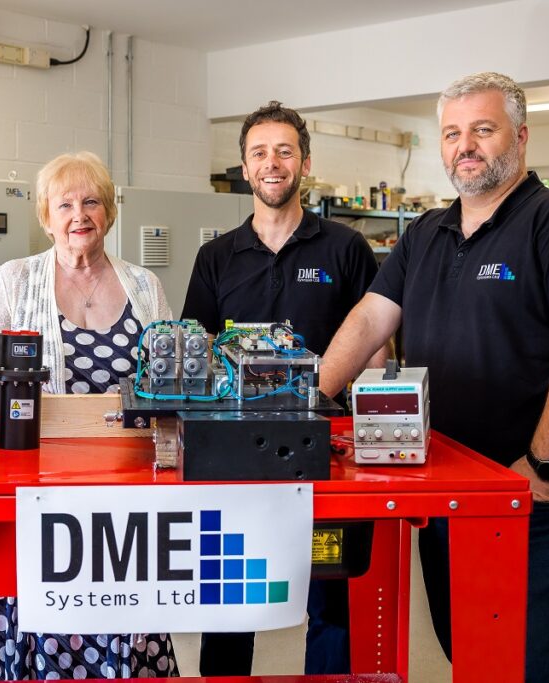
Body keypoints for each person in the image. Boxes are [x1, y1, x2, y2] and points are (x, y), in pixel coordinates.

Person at [317, 72, 549, 683]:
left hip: (532, 501)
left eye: (483, 129)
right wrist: (311, 399)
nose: (466, 146)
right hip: (447, 494)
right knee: (473, 657)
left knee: (536, 666)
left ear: (521, 136)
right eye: (453, 133)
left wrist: (541, 468)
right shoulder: (426, 232)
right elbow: (370, 319)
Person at [181, 101, 386, 676]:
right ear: (244, 168)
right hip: (235, 456)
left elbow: (375, 349)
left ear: (305, 162)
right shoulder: (216, 256)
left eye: (284, 151)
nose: (272, 164)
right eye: (259, 153)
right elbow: (195, 357)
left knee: (333, 600)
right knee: (229, 598)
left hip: (329, 451)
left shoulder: (345, 249)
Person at [0, 151, 177, 681]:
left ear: (109, 212)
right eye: (65, 204)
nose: (79, 214)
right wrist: (46, 428)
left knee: (123, 609)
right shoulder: (14, 280)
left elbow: (169, 378)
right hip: (34, 480)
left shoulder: (145, 287)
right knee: (29, 602)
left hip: (127, 489)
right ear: (45, 215)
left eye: (91, 201)